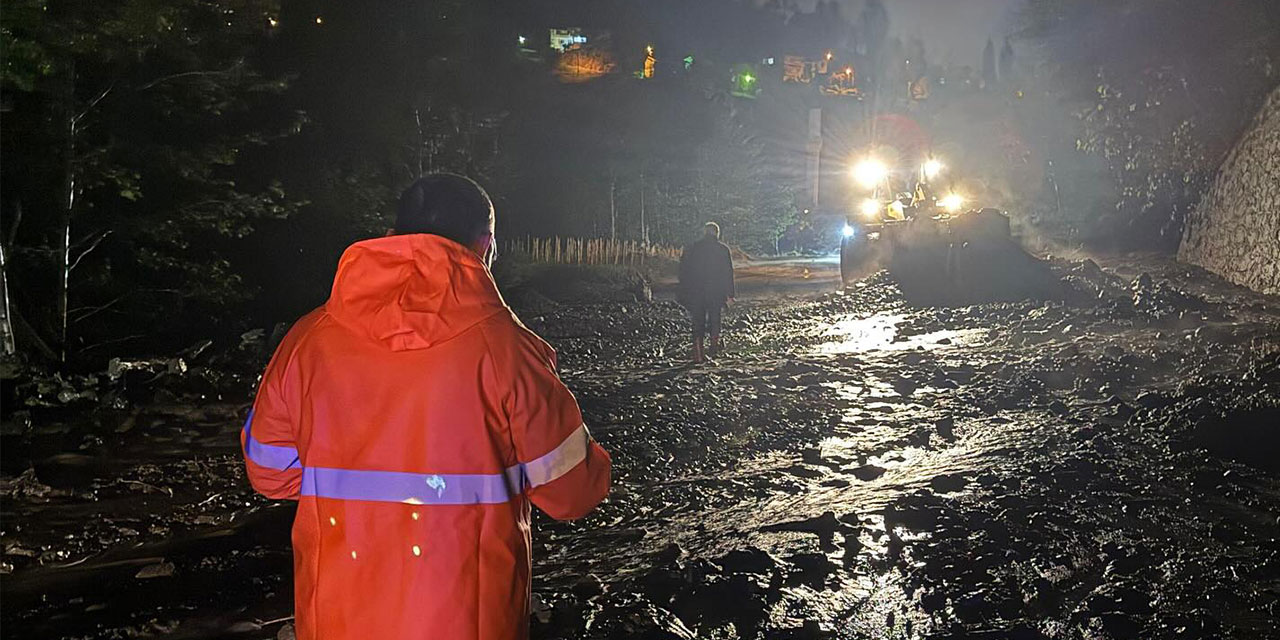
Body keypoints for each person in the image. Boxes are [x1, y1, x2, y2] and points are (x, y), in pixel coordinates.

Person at [240, 173, 611, 640]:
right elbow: (573, 492)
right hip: (466, 621)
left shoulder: (308, 340)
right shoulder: (508, 348)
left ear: (393, 237)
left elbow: (269, 472)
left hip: (336, 619)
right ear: (485, 246)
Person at [678, 221, 735, 363]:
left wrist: (683, 290)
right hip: (716, 292)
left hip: (696, 291)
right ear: (717, 233)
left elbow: (684, 271)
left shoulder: (693, 249)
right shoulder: (723, 250)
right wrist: (730, 294)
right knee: (715, 320)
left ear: (705, 232)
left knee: (698, 322)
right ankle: (714, 349)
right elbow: (728, 273)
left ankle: (698, 354)